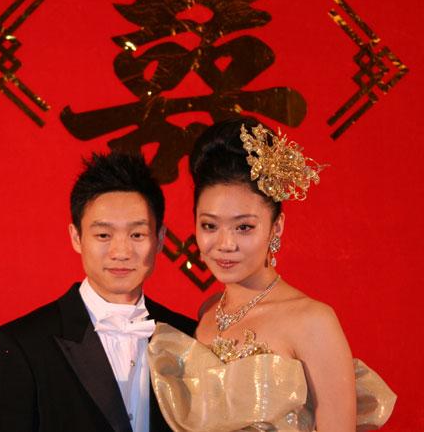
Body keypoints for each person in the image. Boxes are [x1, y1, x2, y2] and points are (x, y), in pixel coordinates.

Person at [147, 118, 396, 432]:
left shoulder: (312, 321)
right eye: (210, 225)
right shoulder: (208, 313)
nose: (225, 244)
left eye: (244, 227)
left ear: (276, 227)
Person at [0, 152, 196, 432]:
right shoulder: (22, 345)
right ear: (76, 237)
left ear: (160, 238)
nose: (121, 252)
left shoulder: (189, 338)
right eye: (103, 235)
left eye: (137, 235)